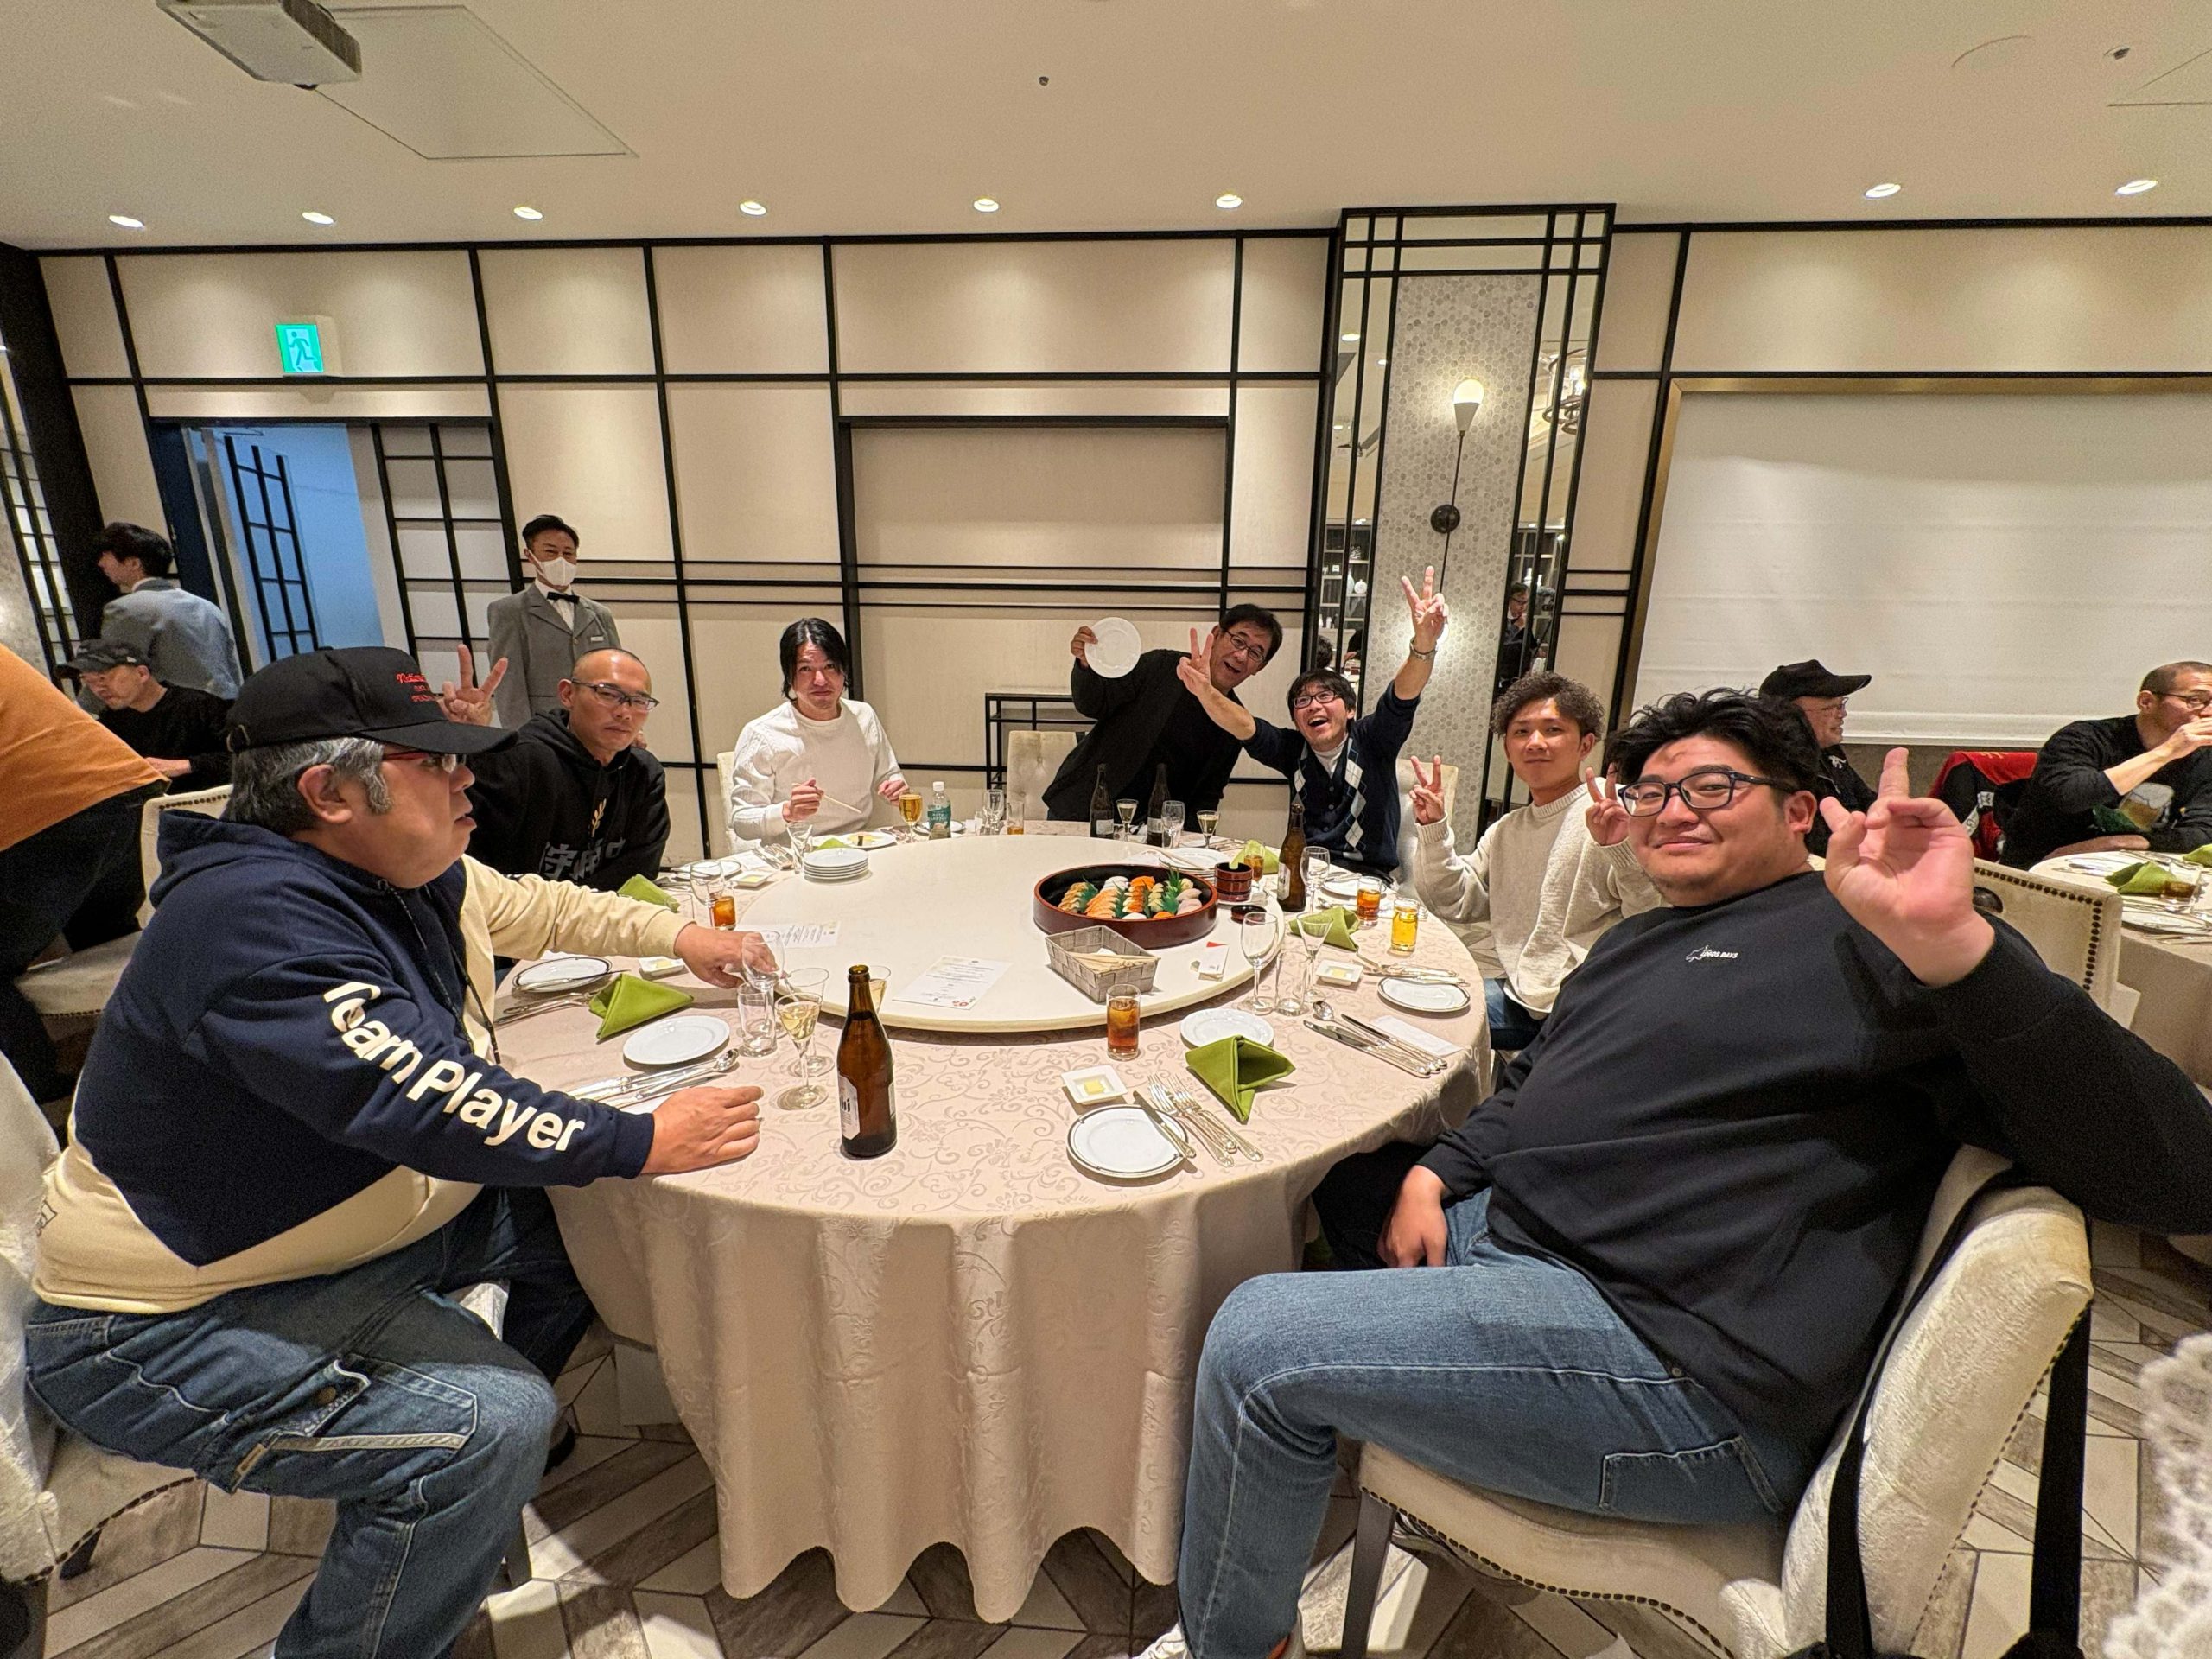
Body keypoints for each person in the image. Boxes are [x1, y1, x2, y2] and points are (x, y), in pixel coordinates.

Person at [1137, 689, 2212, 1659]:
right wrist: (1437, 1177)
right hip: (1524, 1245)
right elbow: (1536, 1084)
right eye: (1652, 791)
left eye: (1711, 787)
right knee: (1345, 1182)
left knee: (1258, 1341)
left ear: (1800, 810)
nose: (1671, 810)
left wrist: (1957, 947)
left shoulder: (1884, 938)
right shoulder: (1640, 940)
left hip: (1667, 1361)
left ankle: (1235, 1639)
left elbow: (2177, 1176)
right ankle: (1344, 1465)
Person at [24, 644, 775, 1659]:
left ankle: (448, 1466)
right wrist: (640, 1138)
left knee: (578, 1225)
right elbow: (431, 1098)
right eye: (438, 763)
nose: (468, 783)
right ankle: (438, 1487)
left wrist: (683, 939)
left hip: (335, 1240)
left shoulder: (401, 869)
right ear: (330, 793)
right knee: (488, 1425)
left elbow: (540, 907)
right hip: (167, 1320)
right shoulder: (254, 923)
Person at [1409, 671, 1659, 1051]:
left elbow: (1656, 921)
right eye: (1521, 732)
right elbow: (1457, 901)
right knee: (1405, 1001)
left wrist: (1623, 851)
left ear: (1586, 744)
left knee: (1421, 1023)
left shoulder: (1617, 810)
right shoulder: (1507, 830)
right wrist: (1433, 828)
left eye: (1553, 730)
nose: (1535, 742)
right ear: (1508, 751)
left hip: (1587, 1009)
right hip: (1524, 996)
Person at [1177, 570, 1449, 877]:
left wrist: (1423, 646)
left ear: (1350, 709)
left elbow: (1402, 696)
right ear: (1296, 719)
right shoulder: (1293, 750)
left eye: (1325, 696)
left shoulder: (1373, 740)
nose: (1314, 706)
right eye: (1302, 701)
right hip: (1303, 877)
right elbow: (1245, 726)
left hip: (1365, 882)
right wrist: (1206, 691)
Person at [0, 649, 163, 1104]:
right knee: (104, 939)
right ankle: (151, 1068)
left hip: (49, 809)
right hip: (121, 789)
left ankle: (39, 1109)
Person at [1043, 604, 1283, 824]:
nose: (1241, 656)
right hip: (1085, 806)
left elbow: (1206, 796)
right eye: (1238, 641)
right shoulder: (1162, 665)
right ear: (1217, 634)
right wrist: (1087, 664)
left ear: (1260, 667)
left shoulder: (1234, 721)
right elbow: (1092, 704)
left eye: (1255, 653)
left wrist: (1193, 847)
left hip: (1151, 832)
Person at [462, 646, 669, 891]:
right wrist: (463, 745)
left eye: (639, 701)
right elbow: (477, 869)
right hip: (519, 911)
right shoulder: (518, 762)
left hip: (604, 911)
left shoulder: (644, 773)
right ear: (568, 694)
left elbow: (640, 870)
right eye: (608, 694)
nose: (625, 713)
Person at [2002, 661, 2212, 868]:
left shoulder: (2206, 757)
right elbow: (2071, 797)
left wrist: (2120, 843)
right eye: (2195, 700)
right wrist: (2167, 752)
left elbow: (2204, 831)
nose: (2208, 711)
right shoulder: (2082, 738)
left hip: (2136, 864)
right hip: (2042, 866)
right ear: (2146, 701)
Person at [727, 617, 906, 845]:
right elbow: (742, 822)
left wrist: (897, 789)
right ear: (789, 676)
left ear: (844, 670)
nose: (820, 680)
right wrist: (788, 811)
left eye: (830, 666)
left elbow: (889, 775)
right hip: (796, 853)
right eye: (805, 669)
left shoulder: (864, 716)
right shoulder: (762, 734)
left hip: (860, 845)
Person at [486, 513, 622, 728]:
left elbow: (618, 676)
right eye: (550, 552)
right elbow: (510, 686)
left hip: (599, 726)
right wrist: (522, 739)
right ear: (530, 555)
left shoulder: (600, 614)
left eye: (568, 553)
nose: (561, 560)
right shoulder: (509, 612)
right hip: (545, 728)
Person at [93, 521, 244, 697]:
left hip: (178, 710)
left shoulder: (127, 609)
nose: (101, 563)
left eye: (106, 555)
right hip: (226, 705)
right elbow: (231, 669)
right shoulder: (208, 607)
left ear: (134, 563)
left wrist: (79, 708)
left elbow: (113, 673)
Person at [69, 639, 232, 792]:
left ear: (142, 674)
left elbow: (240, 759)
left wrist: (189, 765)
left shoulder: (200, 706)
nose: (98, 689)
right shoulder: (109, 724)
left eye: (103, 678)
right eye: (88, 681)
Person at [1758, 658, 1876, 856]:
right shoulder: (1774, 767)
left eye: (1842, 704)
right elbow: (1810, 844)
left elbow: (1867, 800)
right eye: (1831, 707)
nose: (1843, 714)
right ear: (1790, 715)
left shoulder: (1829, 751)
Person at [1493, 582, 1531, 696]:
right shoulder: (1500, 617)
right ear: (1509, 600)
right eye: (1520, 602)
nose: (1523, 606)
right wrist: (1517, 626)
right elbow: (1499, 643)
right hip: (1501, 675)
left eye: (1525, 602)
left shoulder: (1522, 619)